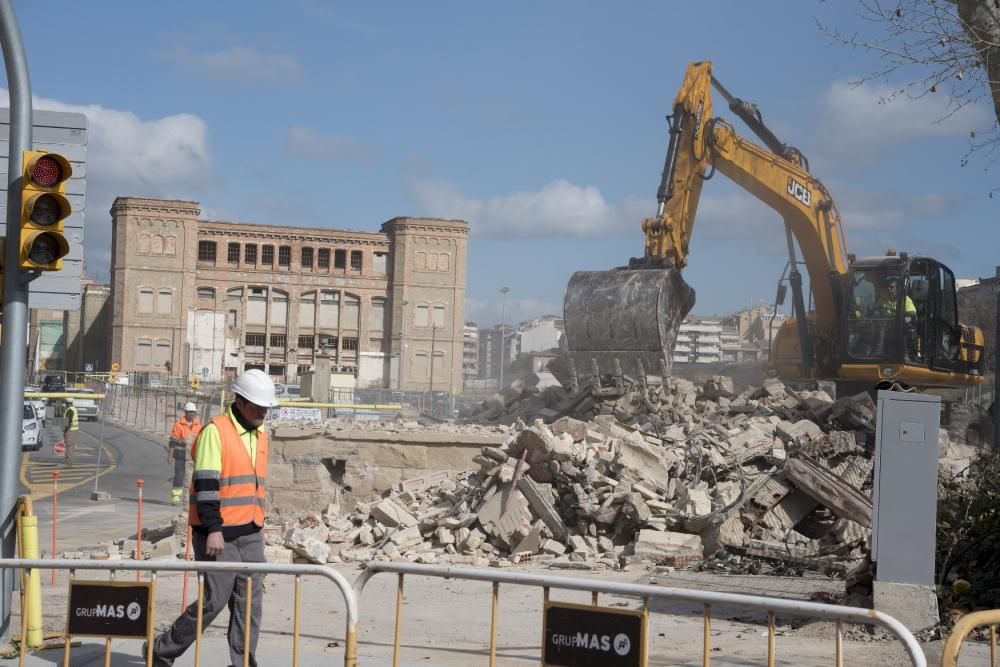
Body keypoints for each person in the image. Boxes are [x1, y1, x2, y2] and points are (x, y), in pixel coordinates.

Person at [148, 370, 278, 667]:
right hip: (217, 534)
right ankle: (161, 651)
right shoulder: (215, 432)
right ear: (240, 402)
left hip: (250, 534)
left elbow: (254, 486)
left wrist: (260, 525)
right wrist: (214, 530)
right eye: (259, 406)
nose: (264, 412)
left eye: (266, 407)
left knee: (249, 605)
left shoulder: (260, 434)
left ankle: (243, 663)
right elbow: (206, 485)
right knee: (213, 602)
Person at [167, 402, 202, 505]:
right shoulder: (178, 425)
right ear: (185, 413)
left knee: (191, 478)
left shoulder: (198, 425)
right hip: (180, 456)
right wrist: (170, 456)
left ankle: (188, 499)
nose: (191, 414)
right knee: (179, 476)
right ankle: (176, 498)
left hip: (193, 457)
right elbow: (173, 441)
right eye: (189, 412)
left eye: (193, 412)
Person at [62, 398, 78, 467]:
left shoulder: (70, 410)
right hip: (73, 430)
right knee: (71, 446)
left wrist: (65, 430)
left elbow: (69, 421)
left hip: (70, 430)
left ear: (67, 403)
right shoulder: (74, 408)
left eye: (65, 403)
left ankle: (68, 462)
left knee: (69, 446)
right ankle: (70, 461)